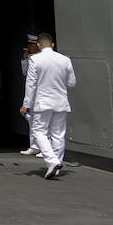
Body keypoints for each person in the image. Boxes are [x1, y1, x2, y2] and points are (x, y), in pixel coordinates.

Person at [20, 32, 75, 180]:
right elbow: (71, 82)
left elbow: (30, 84)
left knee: (39, 131)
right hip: (61, 102)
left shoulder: (35, 60)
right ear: (52, 45)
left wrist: (26, 105)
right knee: (58, 134)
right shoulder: (65, 60)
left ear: (38, 45)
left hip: (43, 102)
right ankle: (56, 166)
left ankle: (52, 161)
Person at [19, 34, 42, 156]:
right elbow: (25, 73)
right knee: (31, 120)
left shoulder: (41, 58)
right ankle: (34, 146)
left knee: (42, 122)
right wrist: (25, 60)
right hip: (31, 93)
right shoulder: (30, 58)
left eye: (31, 45)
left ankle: (45, 148)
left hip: (40, 93)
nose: (29, 47)